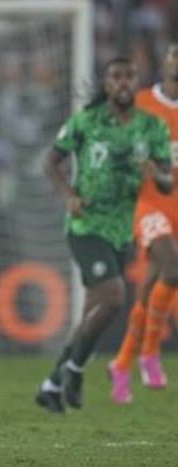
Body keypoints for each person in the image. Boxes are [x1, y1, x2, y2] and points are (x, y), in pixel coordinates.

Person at [35, 57, 173, 414]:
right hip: (86, 226)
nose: (123, 82)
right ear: (107, 84)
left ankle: (52, 384)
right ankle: (76, 370)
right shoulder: (86, 121)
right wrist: (68, 196)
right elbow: (51, 161)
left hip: (121, 230)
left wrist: (157, 174)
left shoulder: (152, 127)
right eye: (116, 77)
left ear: (137, 81)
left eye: (129, 76)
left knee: (92, 309)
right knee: (114, 296)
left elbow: (168, 182)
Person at [109, 42, 178, 404]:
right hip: (148, 203)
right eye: (175, 55)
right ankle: (150, 353)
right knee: (172, 269)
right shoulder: (141, 104)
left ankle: (122, 363)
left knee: (152, 285)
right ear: (165, 61)